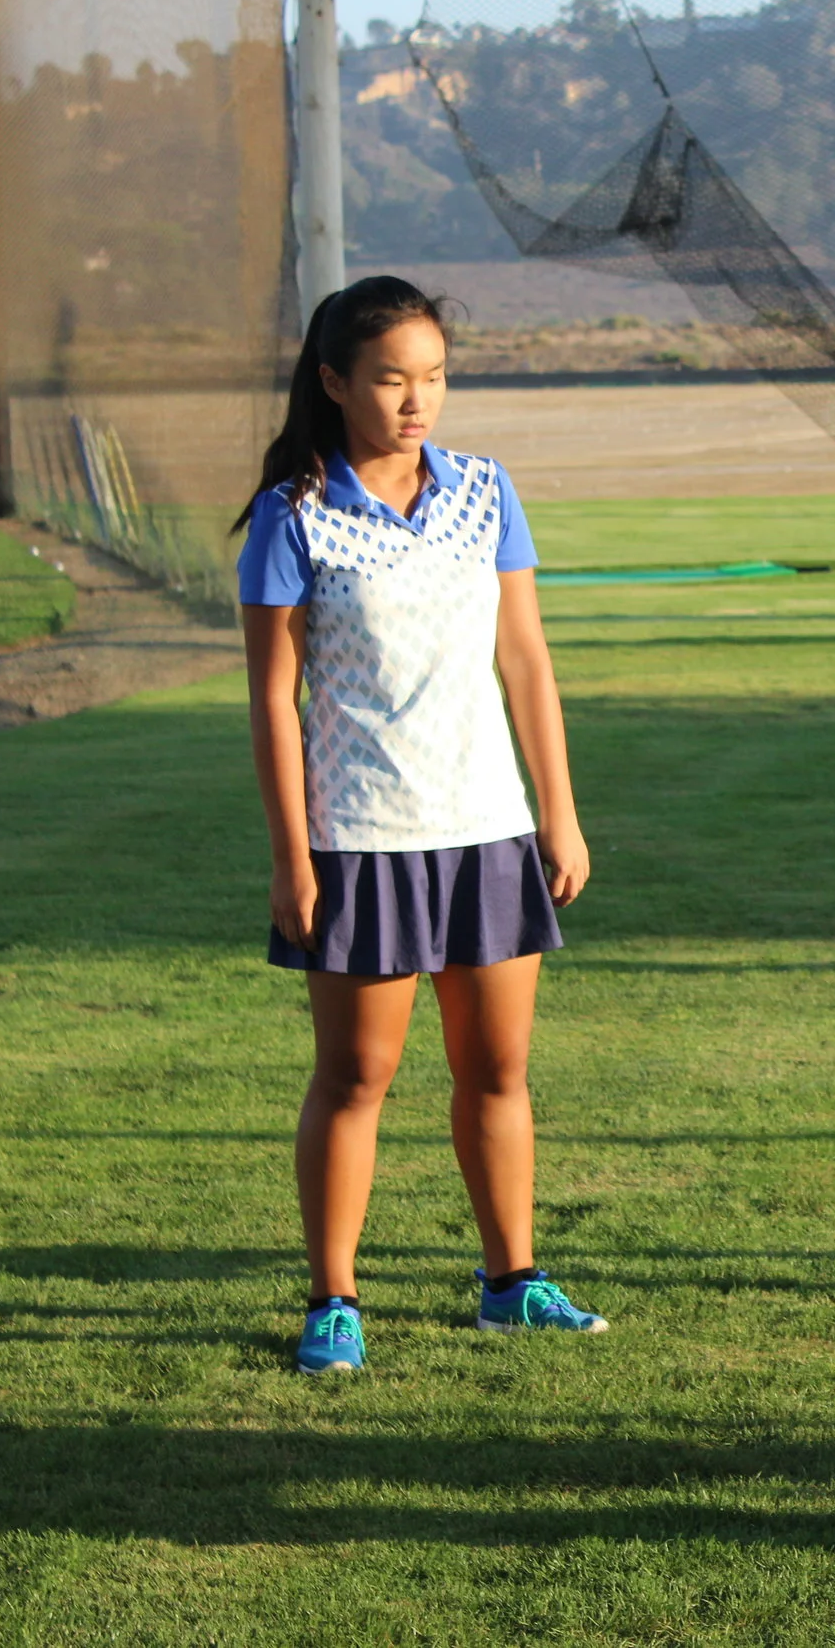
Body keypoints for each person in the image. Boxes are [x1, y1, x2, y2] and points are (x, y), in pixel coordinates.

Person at [236, 275, 607, 1374]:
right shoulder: (291, 513)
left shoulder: (486, 491)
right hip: (358, 836)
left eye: (435, 377)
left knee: (498, 1069)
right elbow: (271, 697)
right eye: (392, 377)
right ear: (335, 380)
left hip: (487, 830)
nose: (416, 400)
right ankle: (334, 1300)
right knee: (356, 1076)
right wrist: (291, 854)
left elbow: (526, 659)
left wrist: (560, 814)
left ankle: (511, 1282)